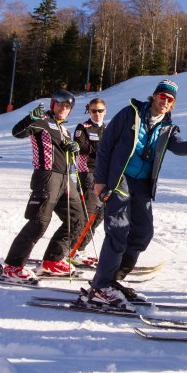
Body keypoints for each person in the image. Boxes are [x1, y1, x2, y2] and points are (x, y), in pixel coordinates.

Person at [87, 80, 187, 309]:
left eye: (170, 100)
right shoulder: (129, 114)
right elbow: (106, 146)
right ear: (154, 96)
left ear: (173, 105)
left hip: (142, 184)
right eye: (162, 96)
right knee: (118, 230)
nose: (165, 102)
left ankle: (112, 280)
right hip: (120, 178)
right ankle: (101, 286)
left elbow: (177, 144)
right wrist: (100, 180)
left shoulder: (168, 126)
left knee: (143, 233)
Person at [0, 90, 85, 282]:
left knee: (77, 218)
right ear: (53, 104)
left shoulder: (65, 129)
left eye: (67, 106)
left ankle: (53, 261)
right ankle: (12, 266)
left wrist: (74, 149)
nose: (63, 108)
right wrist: (31, 117)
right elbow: (17, 132)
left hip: (65, 178)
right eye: (60, 104)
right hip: (47, 176)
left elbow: (66, 156)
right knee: (39, 222)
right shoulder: (41, 122)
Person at [71, 98, 107, 265]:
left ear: (105, 111)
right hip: (88, 173)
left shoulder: (108, 129)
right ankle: (72, 249)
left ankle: (80, 248)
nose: (97, 114)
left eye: (100, 110)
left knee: (100, 215)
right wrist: (101, 146)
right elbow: (81, 146)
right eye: (94, 111)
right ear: (89, 111)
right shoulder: (83, 128)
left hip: (105, 175)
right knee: (87, 212)